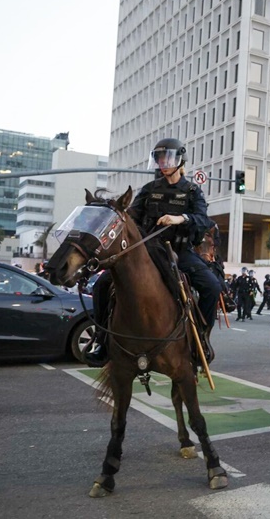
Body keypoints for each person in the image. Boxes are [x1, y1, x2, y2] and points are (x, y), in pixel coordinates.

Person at [88, 138, 220, 366]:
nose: (163, 163)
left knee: (212, 286)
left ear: (179, 160)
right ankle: (102, 341)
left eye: (167, 158)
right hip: (148, 249)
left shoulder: (191, 190)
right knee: (101, 285)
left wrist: (180, 218)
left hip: (180, 250)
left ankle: (201, 339)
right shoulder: (149, 190)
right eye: (159, 159)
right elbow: (131, 218)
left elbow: (203, 219)